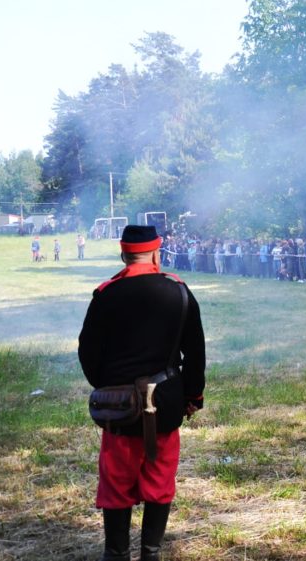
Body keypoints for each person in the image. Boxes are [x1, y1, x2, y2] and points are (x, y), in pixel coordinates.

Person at [78, 225, 205, 561]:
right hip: (165, 402)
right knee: (160, 476)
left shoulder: (106, 294)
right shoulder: (178, 290)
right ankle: (151, 553)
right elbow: (195, 351)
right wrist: (193, 396)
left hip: (119, 406)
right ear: (157, 253)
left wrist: (106, 387)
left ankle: (116, 554)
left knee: (117, 480)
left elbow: (87, 353)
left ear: (123, 254)